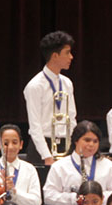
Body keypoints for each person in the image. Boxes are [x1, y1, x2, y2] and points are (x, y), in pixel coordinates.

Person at [42, 121, 112, 205]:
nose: (91, 144)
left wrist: (97, 199)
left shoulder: (108, 165)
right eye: (87, 140)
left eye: (95, 141)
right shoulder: (59, 166)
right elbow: (48, 196)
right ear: (76, 141)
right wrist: (74, 199)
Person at [23, 30, 78, 164]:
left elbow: (72, 118)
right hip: (42, 148)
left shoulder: (67, 83)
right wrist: (46, 156)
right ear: (55, 56)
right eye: (67, 53)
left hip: (65, 145)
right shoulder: (35, 86)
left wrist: (74, 146)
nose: (71, 57)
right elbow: (35, 126)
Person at [0, 123, 42, 205]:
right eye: (6, 143)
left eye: (15, 142)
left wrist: (15, 191)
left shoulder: (30, 169)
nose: (10, 147)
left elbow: (36, 203)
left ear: (21, 144)